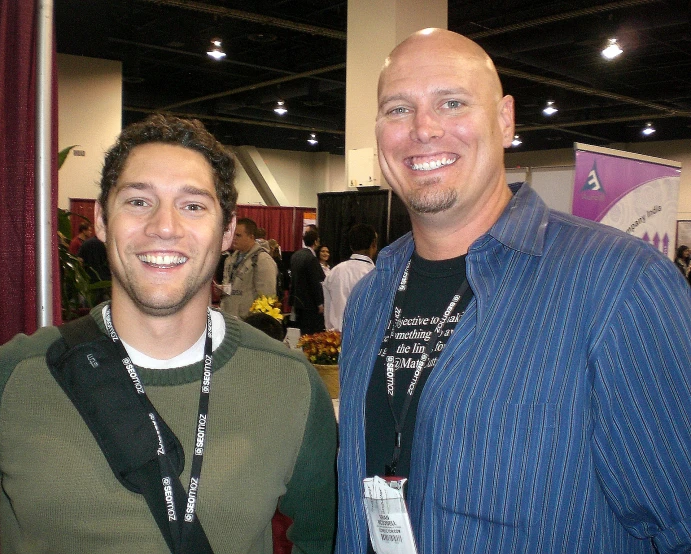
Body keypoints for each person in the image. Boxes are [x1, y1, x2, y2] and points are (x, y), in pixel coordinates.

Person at [336, 28, 691, 554]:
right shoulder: (372, 296)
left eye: (451, 102)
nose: (423, 129)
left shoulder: (618, 286)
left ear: (505, 120)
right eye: (398, 110)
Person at [0, 114, 337, 554]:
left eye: (193, 206)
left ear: (227, 230)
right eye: (138, 201)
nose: (164, 227)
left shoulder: (289, 384)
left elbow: (320, 539)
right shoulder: (15, 377)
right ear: (100, 219)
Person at [219, 217, 277, 319]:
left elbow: (267, 297)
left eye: (238, 235)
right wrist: (222, 290)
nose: (234, 238)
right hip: (229, 317)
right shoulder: (230, 259)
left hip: (248, 321)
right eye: (233, 235)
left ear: (251, 237)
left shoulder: (262, 260)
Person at [322, 224, 377, 331]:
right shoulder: (378, 275)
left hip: (335, 340)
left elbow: (327, 313)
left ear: (351, 246)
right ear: (374, 244)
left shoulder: (334, 272)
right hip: (366, 340)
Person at [289, 228, 325, 336]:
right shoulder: (311, 258)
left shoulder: (296, 255)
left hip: (296, 300)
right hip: (309, 303)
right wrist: (320, 303)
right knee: (310, 333)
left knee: (300, 332)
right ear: (315, 242)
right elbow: (315, 282)